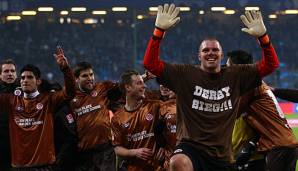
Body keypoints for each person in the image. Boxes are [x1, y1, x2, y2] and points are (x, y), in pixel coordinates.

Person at [143, 3, 279, 171]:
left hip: (222, 155)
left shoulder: (235, 75)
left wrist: (263, 38)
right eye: (206, 50)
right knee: (178, 162)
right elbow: (150, 63)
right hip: (191, 148)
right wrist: (158, 32)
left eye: (215, 49)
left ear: (221, 54)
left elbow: (271, 65)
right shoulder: (184, 74)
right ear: (199, 55)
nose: (210, 52)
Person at [0, 47, 75, 171]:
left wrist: (65, 69)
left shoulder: (49, 100)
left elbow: (70, 93)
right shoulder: (10, 100)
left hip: (44, 166)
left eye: (29, 77)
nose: (25, 81)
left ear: (38, 81)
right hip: (18, 167)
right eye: (23, 78)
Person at [69, 61, 121, 171]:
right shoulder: (71, 98)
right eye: (85, 76)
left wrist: (143, 78)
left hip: (105, 150)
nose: (90, 78)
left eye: (91, 74)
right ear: (76, 79)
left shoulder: (102, 87)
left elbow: (125, 86)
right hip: (84, 153)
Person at [111, 70, 164, 171]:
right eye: (139, 83)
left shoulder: (154, 105)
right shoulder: (117, 118)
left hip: (157, 167)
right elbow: (117, 148)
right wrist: (134, 152)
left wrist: (166, 147)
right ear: (128, 87)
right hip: (134, 168)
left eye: (143, 82)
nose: (145, 86)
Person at [0, 59, 19, 171]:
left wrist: (52, 88)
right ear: (0, 75)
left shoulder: (24, 88)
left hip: (20, 141)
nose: (10, 73)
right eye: (6, 71)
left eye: (12, 71)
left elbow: (48, 85)